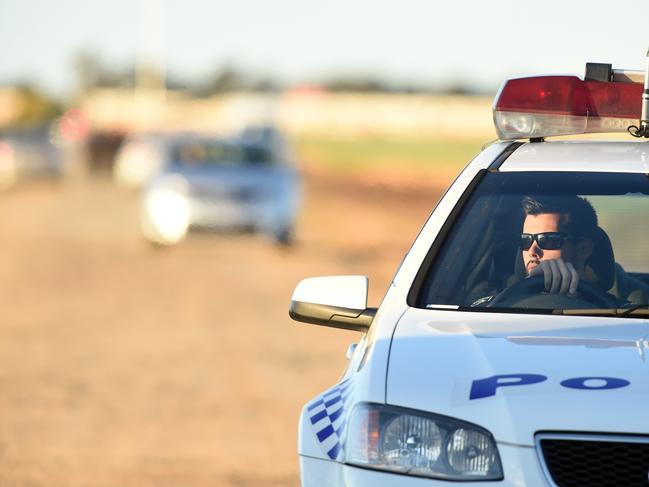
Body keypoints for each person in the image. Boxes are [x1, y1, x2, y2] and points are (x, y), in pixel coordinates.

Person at [520, 195, 596, 295]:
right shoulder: (508, 300)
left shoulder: (611, 308)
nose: (532, 251)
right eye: (526, 240)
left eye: (547, 240)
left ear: (583, 249)